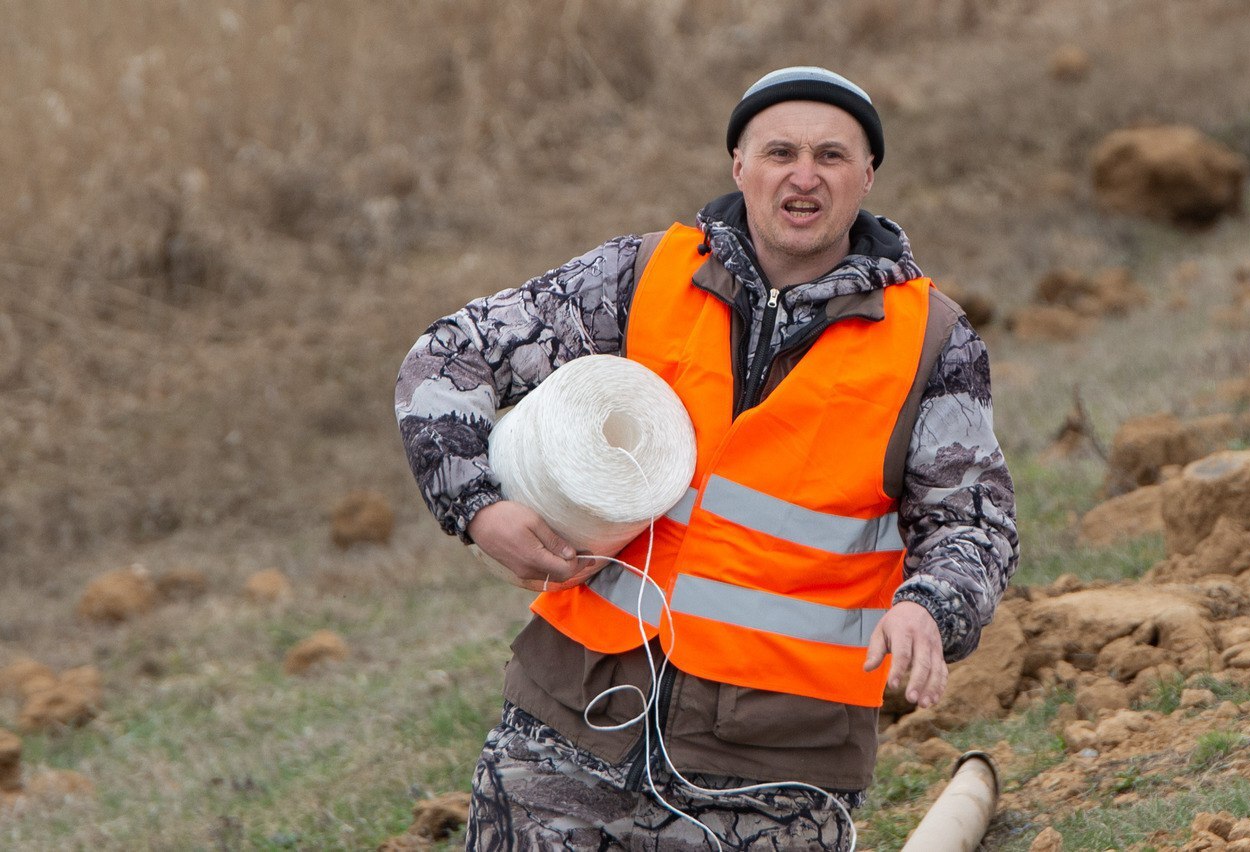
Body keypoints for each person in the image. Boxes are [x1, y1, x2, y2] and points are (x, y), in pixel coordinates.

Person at [396, 66, 1018, 850]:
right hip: (568, 734)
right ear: (738, 166)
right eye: (779, 151)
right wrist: (478, 508)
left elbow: (976, 526)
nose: (803, 175)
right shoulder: (643, 276)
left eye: (831, 156)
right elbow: (447, 359)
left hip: (773, 778)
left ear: (868, 175)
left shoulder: (931, 342)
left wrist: (929, 606)